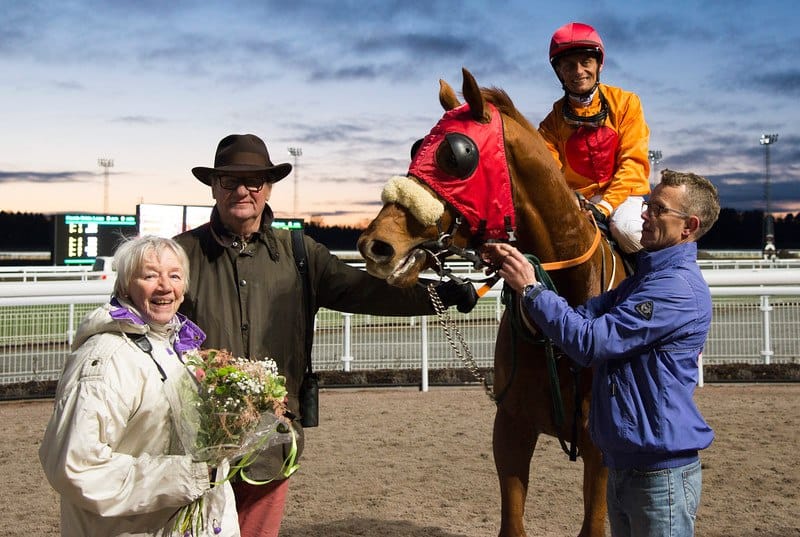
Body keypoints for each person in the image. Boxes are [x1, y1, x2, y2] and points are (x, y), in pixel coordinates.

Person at [175, 133, 477, 537]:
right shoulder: (179, 255)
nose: (242, 191)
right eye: (230, 180)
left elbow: (365, 290)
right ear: (214, 186)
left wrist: (438, 295)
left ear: (268, 187)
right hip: (198, 443)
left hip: (272, 438)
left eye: (254, 181)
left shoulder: (301, 252)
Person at [482, 169, 720, 536]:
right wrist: (526, 272)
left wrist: (531, 289)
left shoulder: (674, 289)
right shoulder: (645, 279)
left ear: (688, 226)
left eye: (657, 209)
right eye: (647, 204)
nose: (644, 214)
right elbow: (579, 316)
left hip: (659, 476)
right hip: (628, 467)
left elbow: (590, 342)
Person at [39, 236, 239, 536]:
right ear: (124, 287)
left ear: (184, 287)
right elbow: (76, 467)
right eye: (149, 275)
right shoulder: (106, 359)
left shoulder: (181, 347)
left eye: (174, 275)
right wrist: (188, 476)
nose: (164, 286)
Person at [539, 21, 651, 253]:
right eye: (569, 66)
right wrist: (571, 199)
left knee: (626, 228)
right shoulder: (550, 125)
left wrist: (606, 205)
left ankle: (655, 283)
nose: (579, 71)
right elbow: (550, 173)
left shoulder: (627, 103)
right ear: (559, 72)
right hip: (579, 202)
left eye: (586, 62)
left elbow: (632, 164)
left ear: (599, 64)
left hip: (623, 197)